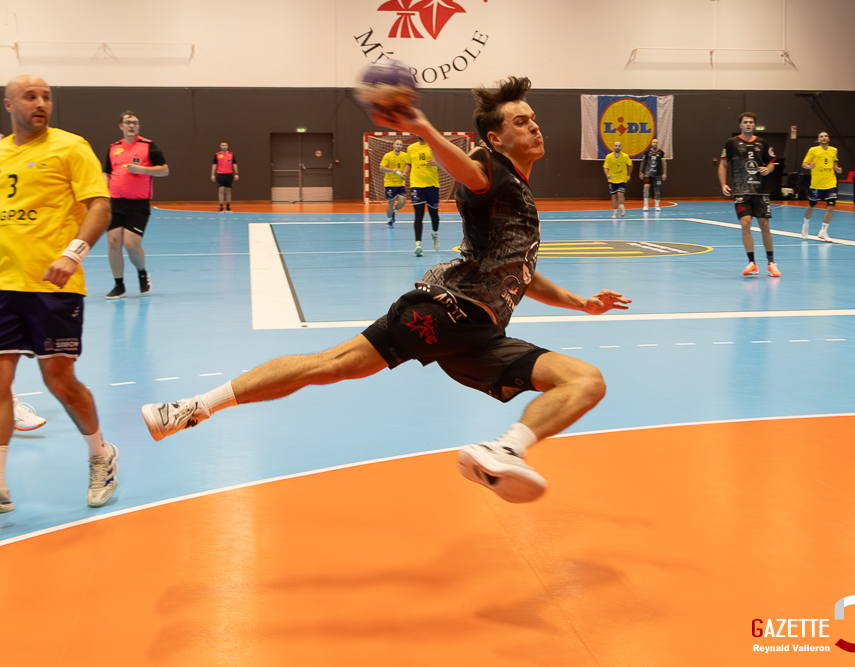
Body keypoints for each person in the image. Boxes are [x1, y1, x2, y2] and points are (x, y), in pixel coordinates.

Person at [141, 76, 631, 504]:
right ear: (495, 137)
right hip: (447, 311)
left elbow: (519, 272)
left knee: (586, 381)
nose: (534, 126)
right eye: (521, 121)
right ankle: (190, 408)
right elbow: (465, 169)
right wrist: (421, 128)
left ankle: (503, 450)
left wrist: (580, 302)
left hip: (481, 338)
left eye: (534, 118)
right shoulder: (490, 169)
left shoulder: (518, 193)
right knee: (329, 367)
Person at [0, 75, 119, 513]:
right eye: (30, 97)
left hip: (55, 286)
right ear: (10, 104)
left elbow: (100, 205)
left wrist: (73, 254)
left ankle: (100, 456)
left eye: (46, 97)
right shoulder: (1, 152)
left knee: (59, 382)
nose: (40, 103)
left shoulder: (70, 147)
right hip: (4, 285)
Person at [103, 110, 169, 298]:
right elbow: (106, 173)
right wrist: (102, 193)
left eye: (135, 122)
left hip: (138, 204)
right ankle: (119, 285)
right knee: (113, 242)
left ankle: (141, 273)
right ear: (121, 126)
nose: (132, 125)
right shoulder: (113, 148)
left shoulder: (149, 146)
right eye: (128, 122)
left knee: (131, 244)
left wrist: (141, 169)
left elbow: (164, 170)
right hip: (115, 202)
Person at [718, 112, 780, 277]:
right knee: (745, 224)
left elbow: (772, 164)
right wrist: (723, 183)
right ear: (740, 125)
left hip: (760, 190)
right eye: (745, 122)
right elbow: (723, 165)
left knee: (764, 225)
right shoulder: (731, 143)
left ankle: (771, 262)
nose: (748, 124)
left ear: (754, 125)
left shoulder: (762, 143)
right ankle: (752, 263)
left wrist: (769, 168)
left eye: (751, 122)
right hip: (740, 190)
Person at [800, 131, 842, 243]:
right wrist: (809, 166)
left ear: (828, 139)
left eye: (826, 136)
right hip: (817, 183)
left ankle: (823, 231)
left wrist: (836, 168)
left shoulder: (834, 150)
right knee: (811, 205)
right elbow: (804, 164)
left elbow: (834, 161)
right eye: (821, 136)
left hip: (830, 182)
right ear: (818, 140)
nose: (824, 138)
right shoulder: (813, 150)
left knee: (831, 206)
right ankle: (805, 225)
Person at [406, 135, 441, 256]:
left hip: (432, 185)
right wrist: (404, 173)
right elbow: (409, 164)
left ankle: (435, 233)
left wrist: (436, 163)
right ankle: (418, 244)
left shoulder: (434, 146)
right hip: (416, 185)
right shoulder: (411, 148)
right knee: (418, 215)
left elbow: (444, 163)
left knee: (434, 215)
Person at [378, 139, 409, 228]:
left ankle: (394, 212)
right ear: (393, 145)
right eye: (397, 144)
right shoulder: (388, 156)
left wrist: (405, 174)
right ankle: (389, 221)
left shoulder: (405, 156)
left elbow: (409, 165)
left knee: (402, 202)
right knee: (390, 202)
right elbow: (381, 168)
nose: (399, 146)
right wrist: (392, 170)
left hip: (400, 183)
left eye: (400, 144)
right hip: (389, 183)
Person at [603, 141, 632, 218]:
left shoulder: (625, 156)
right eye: (616, 146)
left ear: (621, 147)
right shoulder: (609, 157)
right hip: (612, 179)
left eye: (619, 146)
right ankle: (615, 212)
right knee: (613, 196)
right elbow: (605, 167)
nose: (617, 147)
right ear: (613, 147)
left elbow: (630, 165)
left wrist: (629, 175)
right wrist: (607, 174)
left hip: (622, 178)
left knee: (620, 194)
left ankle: (621, 206)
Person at [640, 138, 666, 212]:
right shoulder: (647, 152)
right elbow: (643, 162)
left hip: (657, 174)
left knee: (657, 189)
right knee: (646, 187)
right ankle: (645, 204)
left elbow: (664, 163)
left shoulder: (661, 153)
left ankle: (657, 205)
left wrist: (664, 173)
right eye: (654, 142)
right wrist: (641, 172)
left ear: (658, 144)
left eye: (656, 142)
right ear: (651, 143)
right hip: (648, 173)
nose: (655, 143)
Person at [211, 142, 238, 212]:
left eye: (225, 145)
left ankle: (228, 207)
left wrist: (236, 173)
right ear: (220, 146)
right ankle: (221, 206)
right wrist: (212, 174)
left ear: (227, 146)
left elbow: (234, 164)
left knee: (228, 191)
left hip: (229, 174)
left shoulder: (231, 155)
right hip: (220, 174)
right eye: (223, 145)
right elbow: (214, 165)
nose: (224, 146)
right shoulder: (217, 155)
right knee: (221, 190)